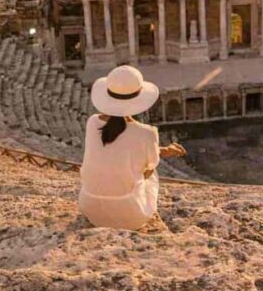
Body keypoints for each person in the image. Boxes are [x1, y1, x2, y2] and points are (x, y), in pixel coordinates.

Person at [79, 65, 186, 230]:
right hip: (129, 216)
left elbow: (117, 148)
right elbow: (146, 169)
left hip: (90, 208)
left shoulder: (92, 122)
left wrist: (163, 150)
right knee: (151, 170)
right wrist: (162, 151)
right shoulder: (147, 133)